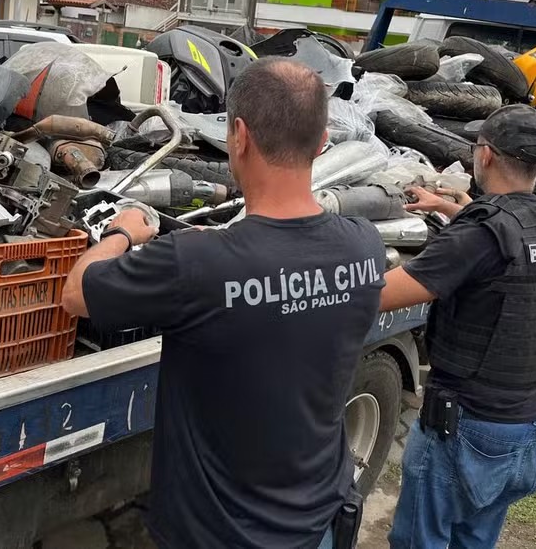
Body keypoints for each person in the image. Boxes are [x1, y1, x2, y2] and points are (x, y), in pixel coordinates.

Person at [62, 58, 386, 549]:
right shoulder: (365, 245)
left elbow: (76, 295)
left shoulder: (196, 263)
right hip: (319, 521)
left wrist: (121, 232)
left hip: (220, 536)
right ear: (322, 143)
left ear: (239, 135)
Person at [379, 104, 536, 549]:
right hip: (525, 425)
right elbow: (508, 240)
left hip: (464, 428)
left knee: (422, 541)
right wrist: (449, 207)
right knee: (475, 539)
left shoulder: (480, 235)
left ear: (486, 156)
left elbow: (379, 295)